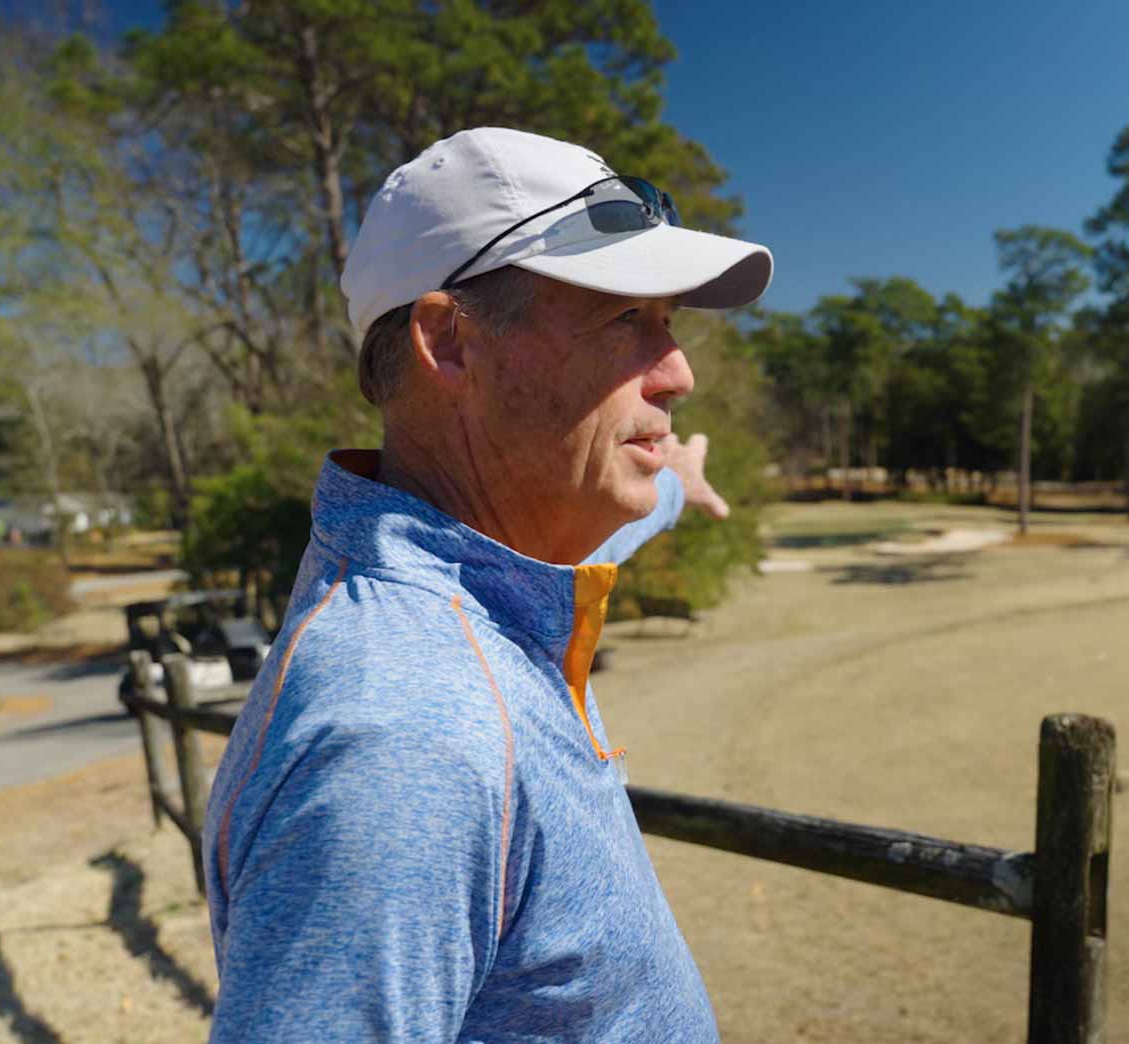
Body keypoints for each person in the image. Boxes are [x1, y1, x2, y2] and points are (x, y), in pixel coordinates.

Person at [200, 127, 772, 1041]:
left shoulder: (496, 572)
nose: (680, 370)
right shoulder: (402, 736)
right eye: (627, 318)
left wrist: (675, 486)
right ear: (448, 342)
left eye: (670, 321)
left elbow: (621, 518)